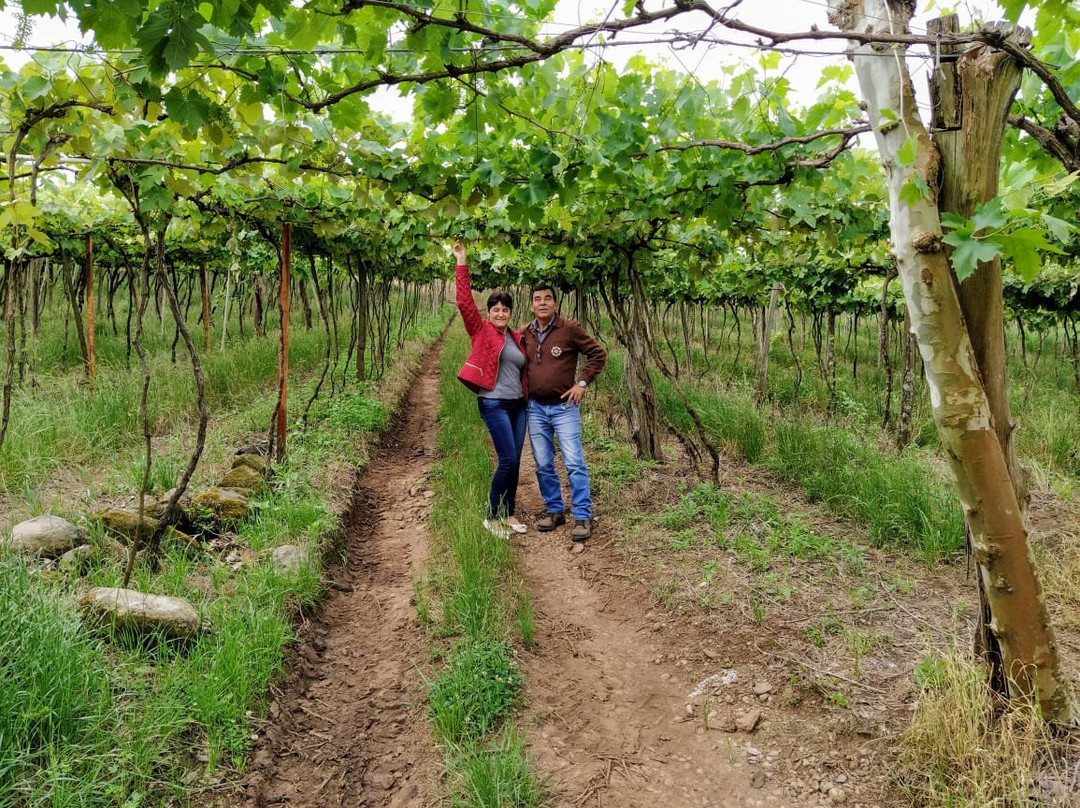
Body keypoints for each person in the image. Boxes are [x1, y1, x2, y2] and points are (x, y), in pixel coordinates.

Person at [453, 240, 529, 539]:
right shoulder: (481, 330)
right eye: (495, 309)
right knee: (507, 459)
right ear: (489, 312)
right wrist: (462, 261)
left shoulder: (517, 337)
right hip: (494, 403)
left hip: (517, 405)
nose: (500, 313)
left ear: (511, 312)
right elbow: (463, 303)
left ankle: (508, 513)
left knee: (515, 462)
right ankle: (491, 516)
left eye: (505, 309)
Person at [521, 284, 607, 542]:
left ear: (556, 304)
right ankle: (555, 509)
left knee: (573, 462)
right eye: (537, 299)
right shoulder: (525, 333)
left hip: (564, 409)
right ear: (531, 305)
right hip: (535, 408)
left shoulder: (569, 329)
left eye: (548, 298)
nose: (543, 303)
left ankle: (582, 515)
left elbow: (598, 354)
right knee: (544, 463)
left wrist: (581, 384)